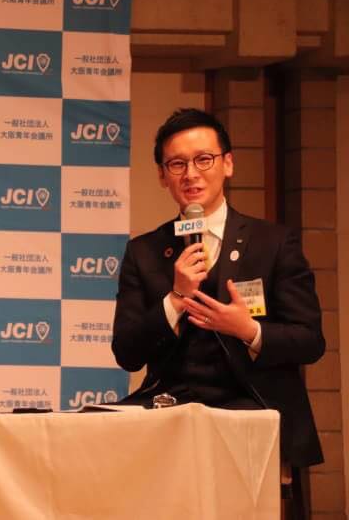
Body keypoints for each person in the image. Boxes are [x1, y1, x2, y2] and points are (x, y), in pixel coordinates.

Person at [112, 108, 324, 472]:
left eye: (203, 159)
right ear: (162, 176)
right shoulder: (144, 251)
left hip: (251, 402)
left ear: (228, 164)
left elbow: (310, 341)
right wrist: (175, 299)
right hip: (170, 403)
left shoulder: (273, 243)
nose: (191, 174)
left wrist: (248, 330)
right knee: (99, 439)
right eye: (177, 164)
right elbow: (127, 353)